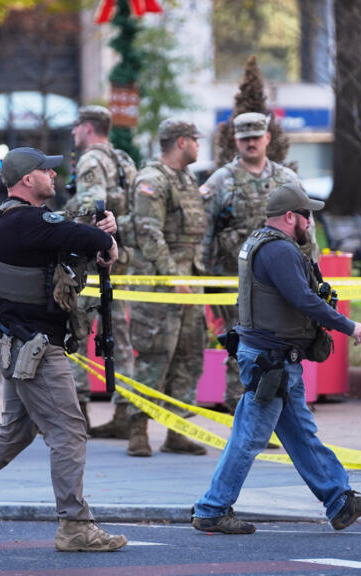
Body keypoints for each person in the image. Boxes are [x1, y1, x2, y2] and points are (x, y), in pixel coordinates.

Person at [0, 147, 127, 552]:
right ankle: (75, 525)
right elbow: (79, 236)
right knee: (68, 433)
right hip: (35, 348)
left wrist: (99, 232)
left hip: (15, 341)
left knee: (14, 431)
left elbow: (66, 238)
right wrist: (105, 234)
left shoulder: (7, 221)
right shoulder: (27, 222)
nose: (53, 174)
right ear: (28, 179)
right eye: (47, 170)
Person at [191, 182, 361, 535]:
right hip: (271, 360)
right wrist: (347, 325)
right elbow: (304, 300)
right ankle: (212, 508)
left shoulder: (259, 242)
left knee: (301, 434)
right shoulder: (280, 251)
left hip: (273, 359)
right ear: (290, 216)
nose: (310, 223)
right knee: (248, 438)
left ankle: (339, 501)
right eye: (307, 215)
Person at [200, 112, 313, 413]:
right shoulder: (221, 181)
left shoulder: (286, 180)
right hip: (232, 279)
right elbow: (204, 233)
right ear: (235, 141)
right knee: (242, 343)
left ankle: (275, 409)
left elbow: (305, 229)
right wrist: (200, 278)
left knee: (279, 343)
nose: (251, 143)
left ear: (267, 138)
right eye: (244, 138)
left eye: (256, 136)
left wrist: (310, 274)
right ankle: (242, 408)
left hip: (279, 283)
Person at [124, 119, 209, 458]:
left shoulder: (186, 179)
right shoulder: (152, 180)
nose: (198, 147)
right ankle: (137, 428)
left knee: (189, 356)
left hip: (191, 282)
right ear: (181, 142)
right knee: (154, 358)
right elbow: (148, 233)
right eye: (195, 141)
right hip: (161, 287)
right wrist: (173, 278)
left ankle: (178, 430)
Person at [65, 105, 136, 438]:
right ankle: (125, 412)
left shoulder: (90, 161)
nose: (72, 132)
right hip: (120, 260)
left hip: (92, 265)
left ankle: (78, 414)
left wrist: (63, 224)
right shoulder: (124, 160)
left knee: (75, 334)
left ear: (88, 128)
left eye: (76, 126)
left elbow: (92, 210)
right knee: (119, 339)